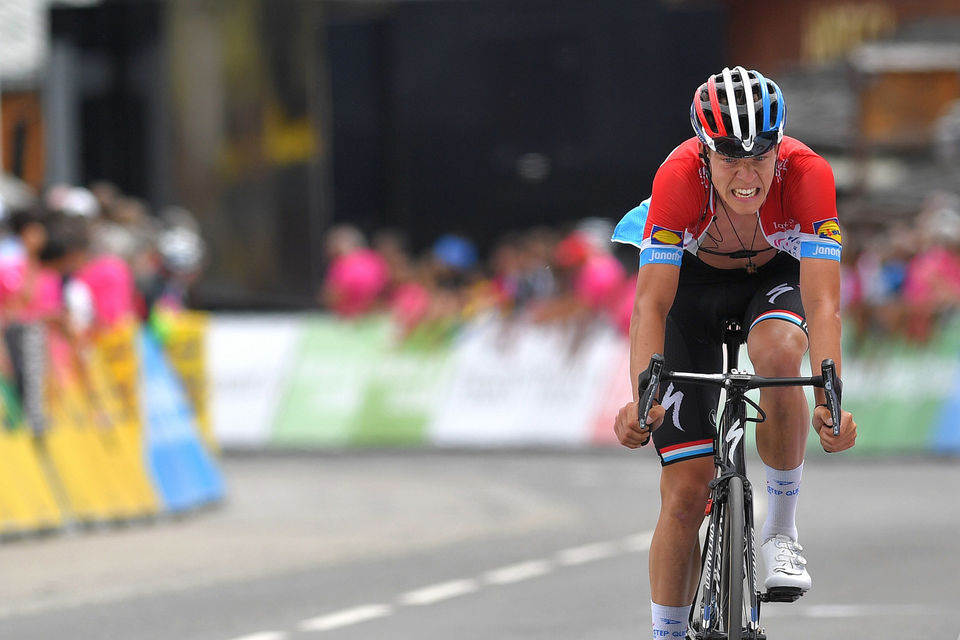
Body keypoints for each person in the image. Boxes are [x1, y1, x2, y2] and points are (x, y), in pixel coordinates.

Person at [610, 66, 857, 639]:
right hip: (688, 293)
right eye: (729, 160)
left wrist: (831, 395)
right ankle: (667, 634)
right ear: (704, 154)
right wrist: (641, 398)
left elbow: (823, 305)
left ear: (779, 150)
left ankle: (781, 534)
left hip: (770, 281)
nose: (747, 178)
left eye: (759, 159)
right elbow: (650, 306)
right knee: (684, 494)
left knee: (777, 350)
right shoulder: (677, 177)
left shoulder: (809, 175)